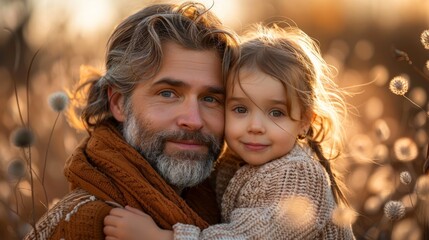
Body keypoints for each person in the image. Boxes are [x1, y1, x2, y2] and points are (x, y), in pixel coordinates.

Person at [103, 24, 356, 239]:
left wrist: (163, 237)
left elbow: (248, 237)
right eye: (240, 109)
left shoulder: (299, 175)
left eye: (276, 113)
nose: (255, 127)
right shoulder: (231, 162)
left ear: (304, 121)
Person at [24, 2, 238, 239]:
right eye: (168, 93)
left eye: (210, 98)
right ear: (118, 103)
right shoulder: (84, 224)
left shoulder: (238, 203)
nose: (194, 120)